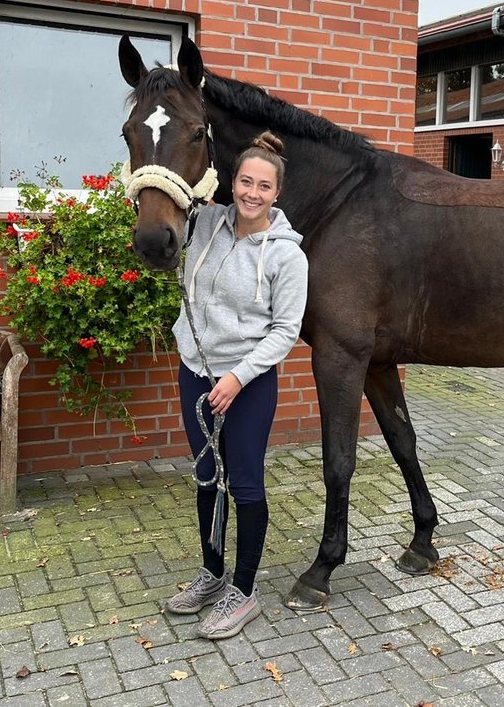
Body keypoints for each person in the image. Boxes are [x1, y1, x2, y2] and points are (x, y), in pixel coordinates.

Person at [164, 131, 308, 640]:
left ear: (276, 193)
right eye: (245, 181)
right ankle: (211, 572)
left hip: (247, 383)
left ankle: (243, 591)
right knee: (207, 476)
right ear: (232, 181)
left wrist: (237, 377)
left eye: (263, 186)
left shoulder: (287, 256)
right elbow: (164, 218)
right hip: (194, 372)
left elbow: (285, 332)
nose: (252, 192)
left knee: (243, 482)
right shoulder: (204, 223)